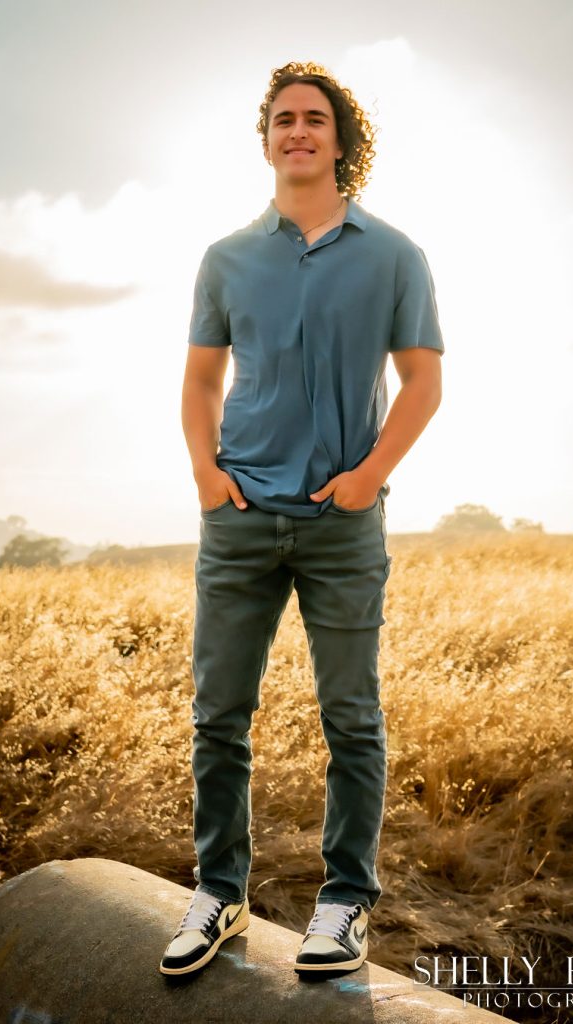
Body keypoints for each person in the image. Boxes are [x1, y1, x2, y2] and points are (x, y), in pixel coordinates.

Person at [159, 60, 444, 978]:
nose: (297, 131)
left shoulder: (393, 254)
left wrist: (368, 477)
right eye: (282, 119)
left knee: (350, 717)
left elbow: (422, 381)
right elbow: (200, 380)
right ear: (266, 140)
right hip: (239, 519)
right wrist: (206, 475)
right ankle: (219, 893)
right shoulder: (226, 259)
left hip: (340, 524)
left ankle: (344, 904)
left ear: (339, 139)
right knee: (218, 716)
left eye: (314, 118)